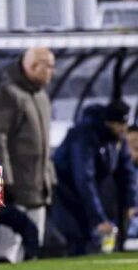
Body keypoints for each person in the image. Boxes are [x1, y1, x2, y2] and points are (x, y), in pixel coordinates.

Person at [0, 48, 57, 263]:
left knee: (34, 243)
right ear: (32, 66)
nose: (52, 71)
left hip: (38, 186)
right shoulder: (7, 94)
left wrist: (49, 177)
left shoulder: (41, 96)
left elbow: (43, 143)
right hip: (15, 187)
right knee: (9, 245)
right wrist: (4, 179)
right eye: (48, 66)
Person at [52, 100, 138, 255]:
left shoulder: (116, 139)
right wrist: (99, 219)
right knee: (76, 238)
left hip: (87, 194)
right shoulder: (84, 135)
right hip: (66, 195)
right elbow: (84, 178)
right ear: (109, 122)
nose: (124, 129)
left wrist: (131, 203)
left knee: (92, 239)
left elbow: (127, 172)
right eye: (120, 124)